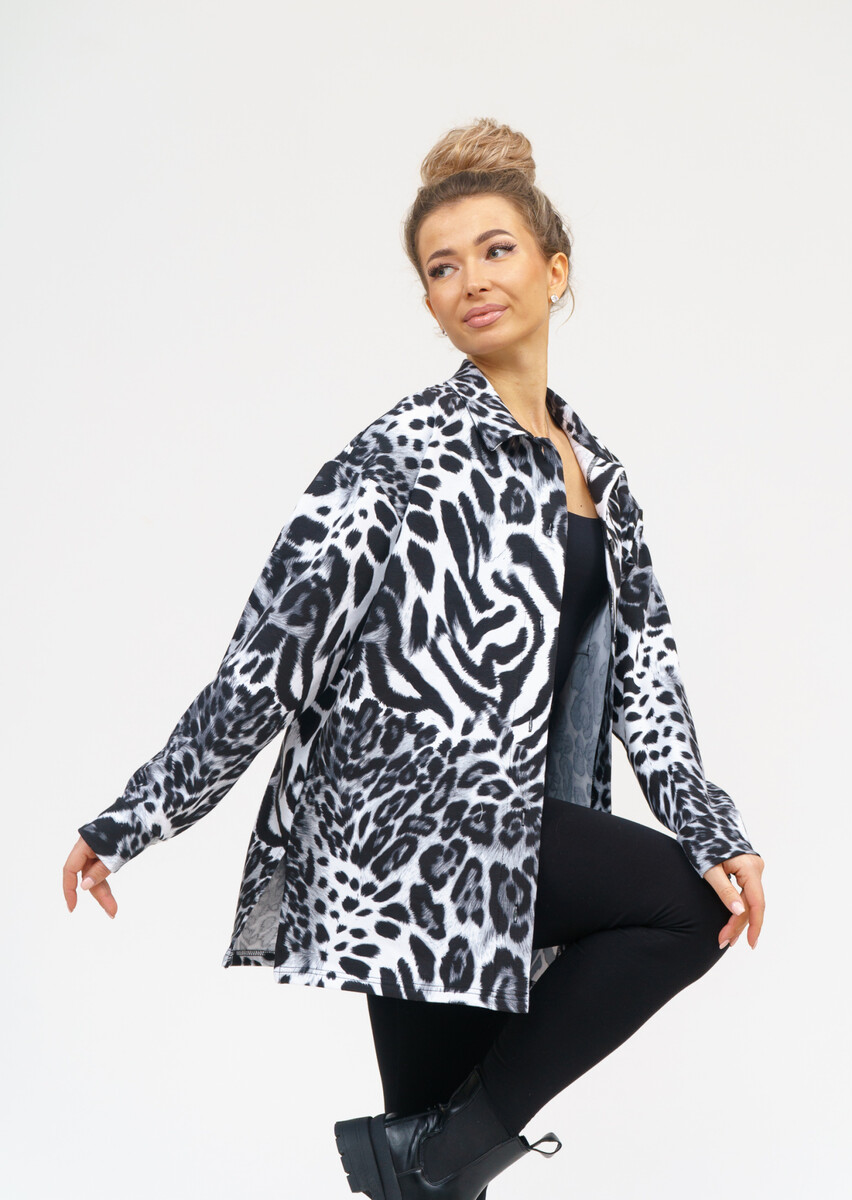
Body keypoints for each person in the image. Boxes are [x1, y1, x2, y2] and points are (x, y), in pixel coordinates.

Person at [64, 117, 766, 1200]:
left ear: (554, 270)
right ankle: (437, 1150)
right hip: (404, 830)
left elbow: (647, 684)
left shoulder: (607, 483)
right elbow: (269, 657)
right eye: (442, 267)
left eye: (496, 250)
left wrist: (715, 829)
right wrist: (135, 816)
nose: (471, 279)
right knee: (677, 910)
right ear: (430, 303)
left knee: (436, 1181)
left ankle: (431, 1155)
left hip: (499, 841)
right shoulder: (397, 456)